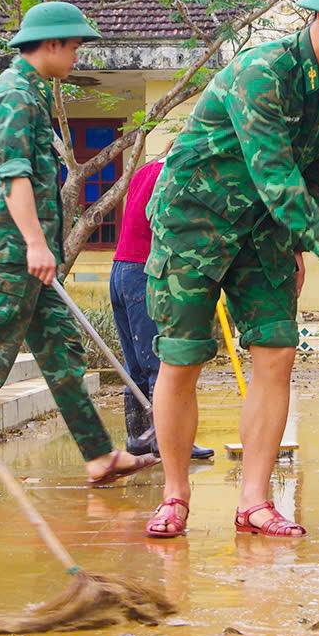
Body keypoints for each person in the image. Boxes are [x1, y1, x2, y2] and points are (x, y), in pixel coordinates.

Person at [142, 0, 319, 539]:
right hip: (195, 221)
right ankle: (175, 496)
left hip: (266, 232)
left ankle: (254, 502)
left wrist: (300, 241)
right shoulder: (262, 72)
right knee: (184, 356)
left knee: (277, 352)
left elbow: (311, 173)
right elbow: (273, 171)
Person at [0, 2, 156, 496]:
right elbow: (12, 175)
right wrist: (33, 243)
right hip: (13, 254)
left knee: (61, 351)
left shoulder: (22, 93)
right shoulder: (15, 95)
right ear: (50, 45)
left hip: (26, 253)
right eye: (73, 47)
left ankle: (98, 456)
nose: (76, 57)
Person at [106, 156, 211, 461]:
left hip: (121, 270)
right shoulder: (176, 171)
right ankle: (169, 440)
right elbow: (170, 225)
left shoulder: (146, 170)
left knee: (137, 363)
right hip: (144, 272)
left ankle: (140, 437)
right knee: (160, 362)